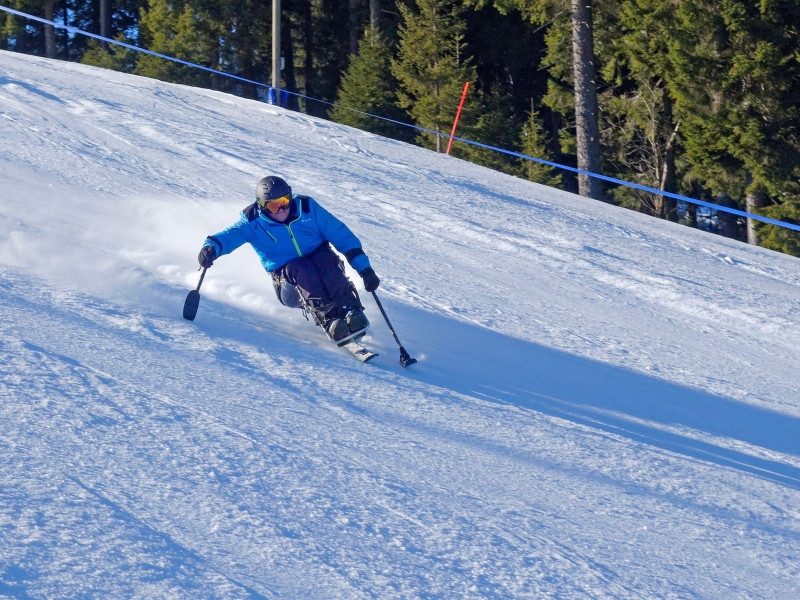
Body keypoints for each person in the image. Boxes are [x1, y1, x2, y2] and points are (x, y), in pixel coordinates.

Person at [197, 175, 380, 342]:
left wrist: (365, 269)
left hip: (322, 264)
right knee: (301, 267)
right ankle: (329, 317)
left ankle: (350, 309)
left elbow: (342, 236)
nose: (282, 209)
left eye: (285, 201)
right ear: (262, 205)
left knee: (325, 259)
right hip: (289, 285)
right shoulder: (252, 221)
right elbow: (229, 236)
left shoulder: (307, 208)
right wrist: (211, 248)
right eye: (274, 205)